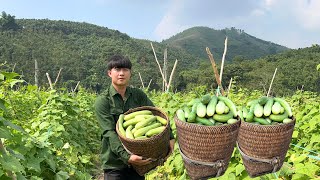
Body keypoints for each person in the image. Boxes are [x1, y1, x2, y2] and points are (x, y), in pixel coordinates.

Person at [95, 55, 175, 180]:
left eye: (125, 69)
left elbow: (155, 114)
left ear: (130, 73)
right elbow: (109, 132)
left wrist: (170, 137)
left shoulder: (138, 95)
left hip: (139, 160)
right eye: (117, 69)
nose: (121, 73)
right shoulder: (103, 101)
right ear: (110, 73)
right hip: (114, 163)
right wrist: (127, 157)